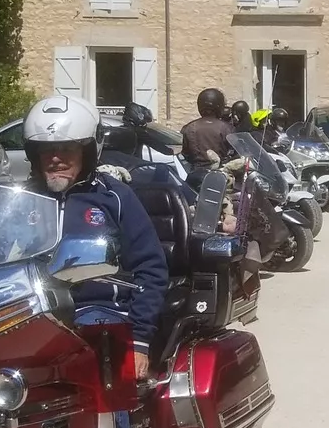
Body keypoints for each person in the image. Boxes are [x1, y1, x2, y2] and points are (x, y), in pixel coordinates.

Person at [22, 96, 170, 376]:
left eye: (67, 148)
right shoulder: (23, 199)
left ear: (88, 151)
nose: (56, 158)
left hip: (97, 312)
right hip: (32, 311)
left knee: (91, 376)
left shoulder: (114, 197)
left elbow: (150, 269)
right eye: (46, 149)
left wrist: (139, 340)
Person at [181, 89, 237, 185]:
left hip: (195, 176)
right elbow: (235, 153)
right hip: (220, 177)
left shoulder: (188, 128)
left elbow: (186, 154)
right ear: (219, 106)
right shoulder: (227, 128)